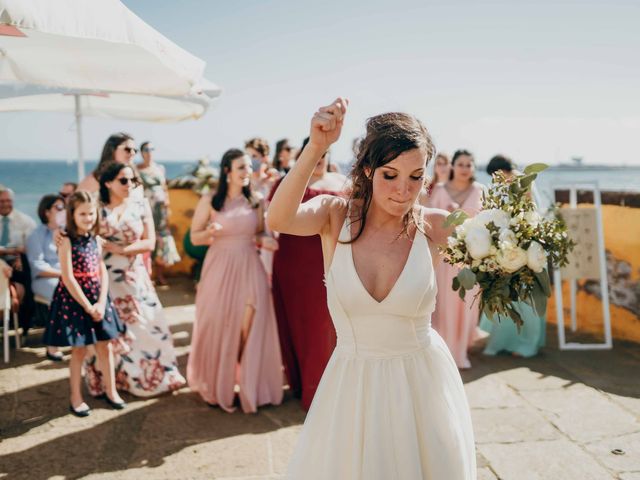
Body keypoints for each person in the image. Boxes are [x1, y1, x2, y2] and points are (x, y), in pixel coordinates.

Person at [268, 99, 475, 479]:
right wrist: (316, 147)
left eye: (416, 176)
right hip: (353, 386)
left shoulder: (436, 226)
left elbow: (494, 248)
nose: (403, 190)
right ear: (368, 169)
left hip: (422, 384)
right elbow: (278, 217)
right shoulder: (334, 215)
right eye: (390, 175)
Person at [187, 148, 283, 413]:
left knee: (248, 324)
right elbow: (194, 238)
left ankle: (247, 383)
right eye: (240, 167)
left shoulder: (257, 200)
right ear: (227, 171)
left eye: (248, 167)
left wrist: (267, 241)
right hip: (219, 267)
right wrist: (209, 231)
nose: (247, 172)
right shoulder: (210, 200)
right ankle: (220, 384)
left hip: (249, 265)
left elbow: (264, 234)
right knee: (218, 324)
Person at [85, 163, 186, 397]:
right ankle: (114, 381)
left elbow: (149, 242)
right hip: (105, 278)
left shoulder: (140, 204)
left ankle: (152, 377)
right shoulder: (96, 208)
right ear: (108, 183)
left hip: (134, 274)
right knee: (112, 331)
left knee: (149, 323)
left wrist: (117, 248)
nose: (129, 185)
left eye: (132, 180)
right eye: (123, 180)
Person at [268, 136, 346, 410]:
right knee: (296, 324)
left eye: (325, 153)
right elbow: (273, 219)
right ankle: (300, 382)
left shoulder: (342, 184)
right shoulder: (287, 184)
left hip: (325, 263)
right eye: (314, 153)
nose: (320, 158)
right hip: (291, 265)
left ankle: (321, 392)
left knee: (322, 328)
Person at [43, 191, 126, 417]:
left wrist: (100, 301)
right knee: (78, 351)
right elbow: (67, 277)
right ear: (72, 214)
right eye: (83, 214)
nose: (88, 218)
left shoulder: (96, 240)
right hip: (75, 299)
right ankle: (75, 397)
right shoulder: (66, 240)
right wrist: (88, 306)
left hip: (98, 296)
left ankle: (111, 391)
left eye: (91, 213)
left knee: (105, 346)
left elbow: (102, 272)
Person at [479, 154, 546, 357]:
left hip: (525, 246)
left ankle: (526, 344)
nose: (497, 179)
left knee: (525, 298)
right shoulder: (504, 185)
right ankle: (506, 341)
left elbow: (529, 214)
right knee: (506, 296)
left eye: (498, 174)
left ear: (505, 170)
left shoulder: (522, 182)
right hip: (506, 245)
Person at [426, 149, 485, 369]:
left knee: (467, 307)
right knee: (444, 307)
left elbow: (488, 223)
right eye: (461, 164)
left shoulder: (480, 190)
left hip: (471, 259)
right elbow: (429, 221)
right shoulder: (440, 190)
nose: (465, 169)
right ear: (453, 166)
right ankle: (444, 354)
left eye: (469, 164)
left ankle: (461, 352)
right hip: (445, 258)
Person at [26, 194, 66, 361]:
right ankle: (52, 344)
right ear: (47, 211)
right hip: (45, 279)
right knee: (61, 292)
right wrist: (64, 275)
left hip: (66, 276)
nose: (62, 210)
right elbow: (38, 266)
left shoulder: (67, 232)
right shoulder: (37, 234)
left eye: (63, 207)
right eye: (58, 207)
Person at [137, 141, 181, 285]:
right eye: (146, 149)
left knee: (162, 240)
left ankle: (160, 274)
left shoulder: (160, 168)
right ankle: (148, 274)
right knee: (146, 238)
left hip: (160, 209)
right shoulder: (136, 169)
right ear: (141, 152)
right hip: (146, 209)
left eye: (151, 149)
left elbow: (164, 188)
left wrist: (167, 207)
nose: (149, 152)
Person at [0, 185, 36, 334]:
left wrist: (21, 256)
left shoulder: (25, 221)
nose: (5, 204)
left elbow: (32, 246)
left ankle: (25, 325)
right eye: (1, 201)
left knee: (27, 280)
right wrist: (14, 250)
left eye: (8, 200)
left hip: (18, 263)